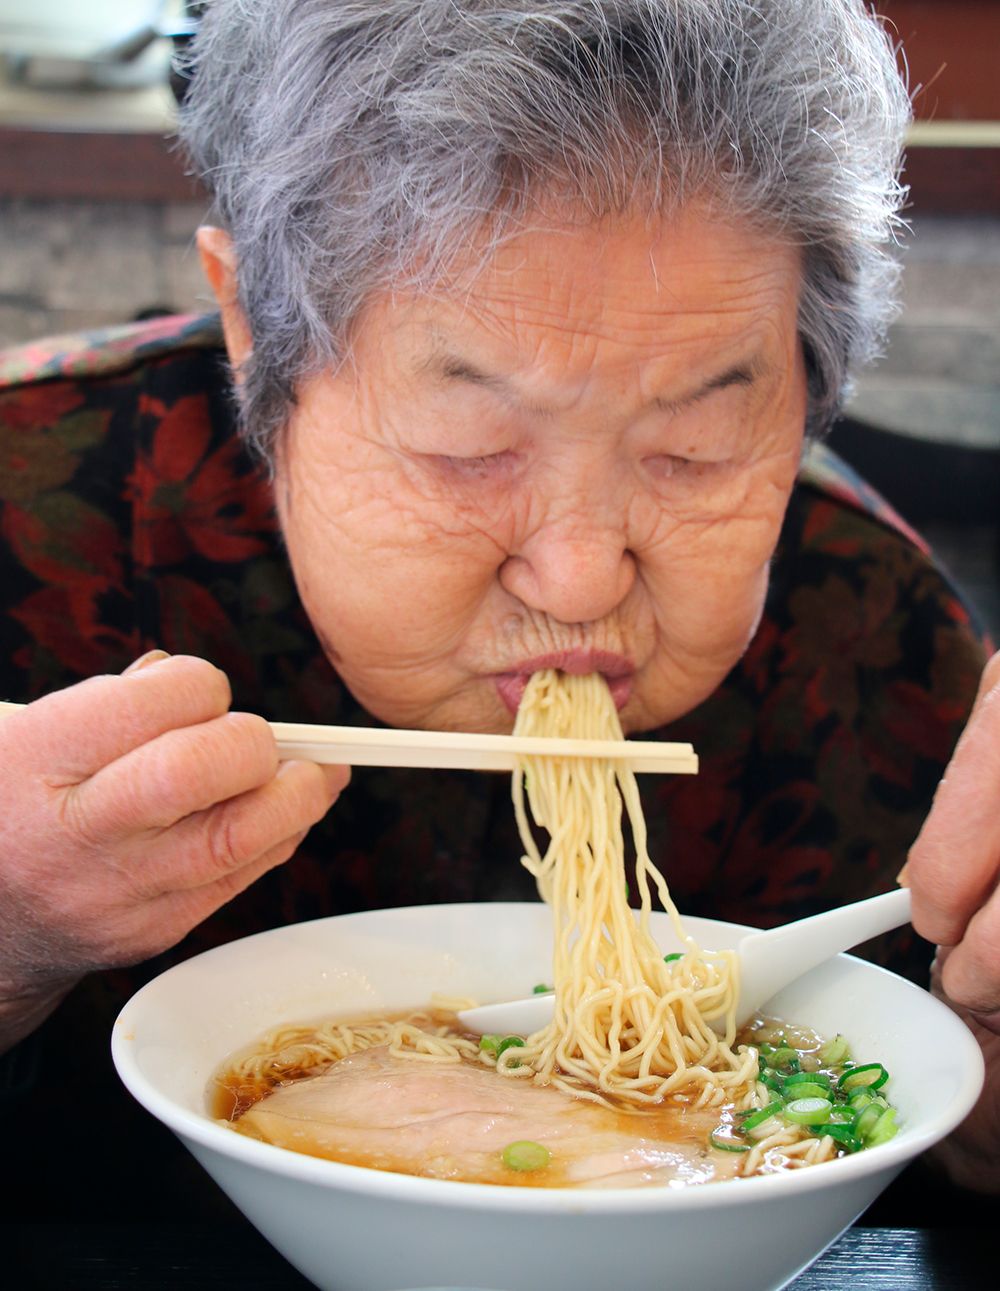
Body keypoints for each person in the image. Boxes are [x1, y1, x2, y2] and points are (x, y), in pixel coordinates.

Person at [0, 0, 996, 1223]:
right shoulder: (27, 527)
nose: (579, 577)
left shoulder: (879, 636)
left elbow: (952, 1156)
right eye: (470, 448)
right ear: (254, 331)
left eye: (692, 448)